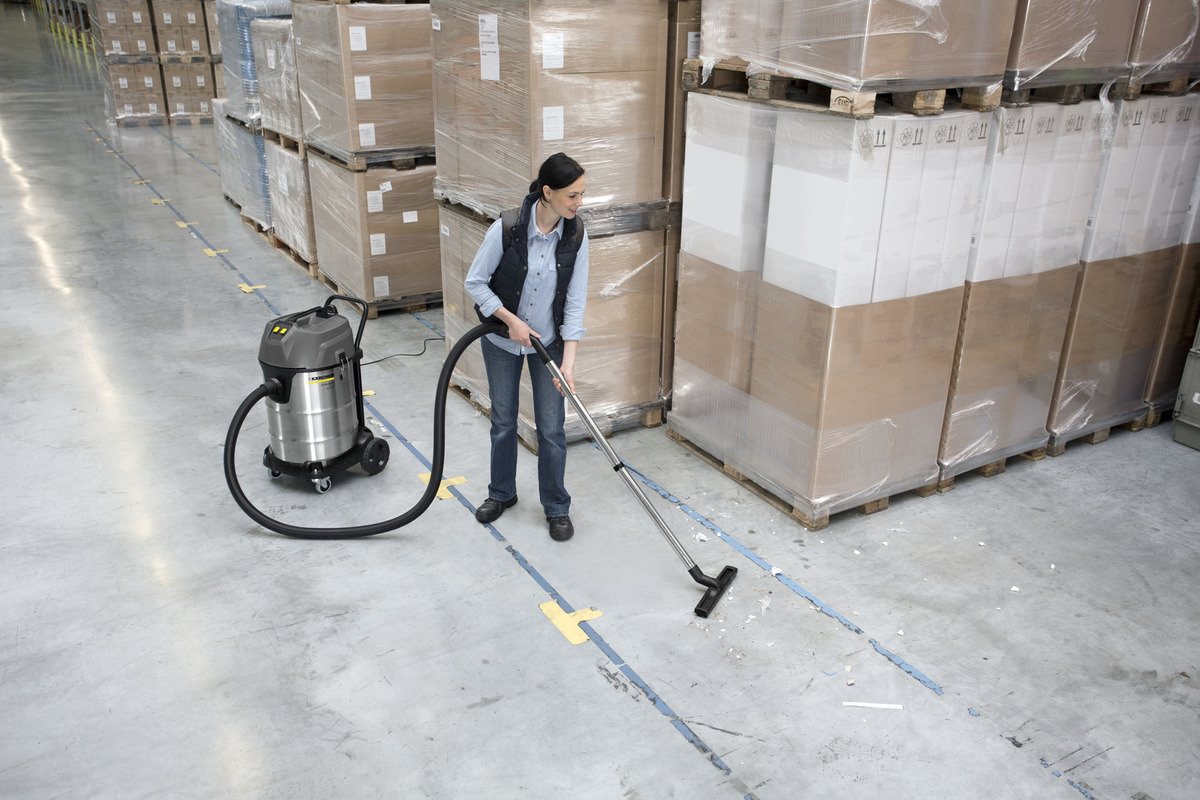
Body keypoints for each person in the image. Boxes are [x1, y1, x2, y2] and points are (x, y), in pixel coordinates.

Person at [464, 153, 588, 542]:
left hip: (548, 346)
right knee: (503, 421)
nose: (578, 203)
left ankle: (557, 507)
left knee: (551, 429)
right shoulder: (508, 228)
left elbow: (575, 303)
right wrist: (511, 321)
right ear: (548, 192)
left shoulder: (575, 236)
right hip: (503, 341)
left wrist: (568, 364)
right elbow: (475, 282)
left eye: (582, 194)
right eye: (572, 195)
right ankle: (501, 493)